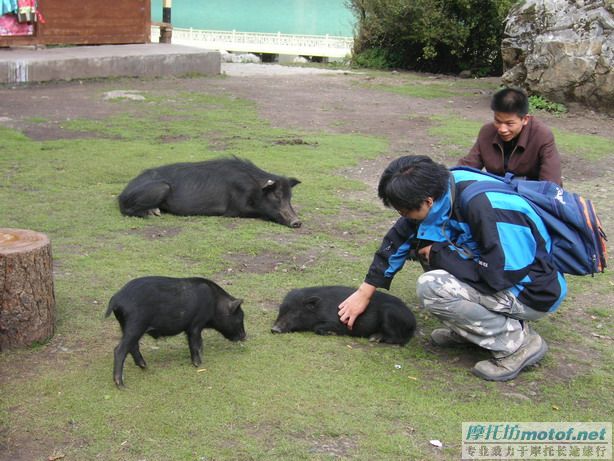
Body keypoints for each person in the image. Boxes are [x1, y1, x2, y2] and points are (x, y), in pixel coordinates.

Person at [338, 155, 567, 381]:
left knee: (433, 286)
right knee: (429, 250)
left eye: (405, 212)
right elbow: (398, 240)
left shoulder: (489, 207)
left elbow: (500, 275)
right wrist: (363, 293)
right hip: (499, 277)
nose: (403, 217)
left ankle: (518, 344)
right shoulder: (443, 190)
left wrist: (440, 256)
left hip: (531, 291)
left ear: (428, 201)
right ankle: (474, 332)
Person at [457, 87, 562, 185]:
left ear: (525, 119)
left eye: (509, 124)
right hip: (495, 192)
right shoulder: (487, 132)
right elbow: (466, 168)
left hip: (530, 196)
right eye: (498, 121)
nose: (502, 129)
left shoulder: (542, 135)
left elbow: (551, 184)